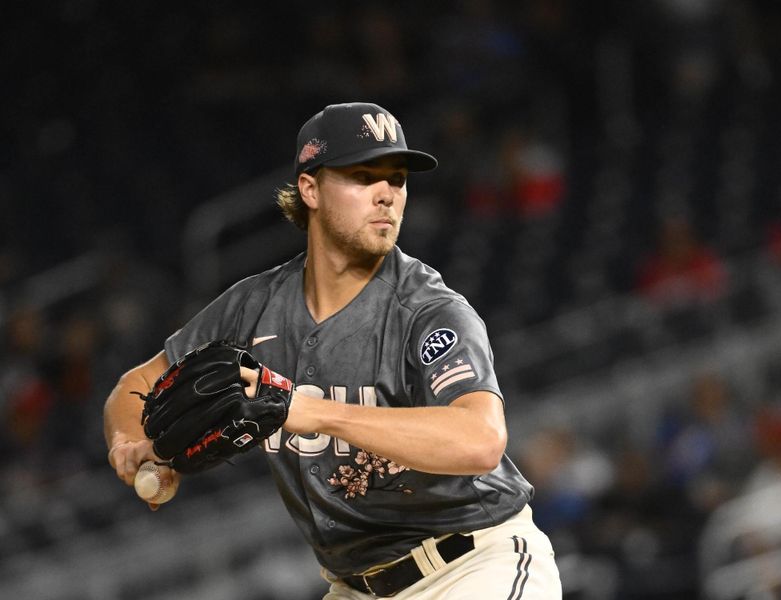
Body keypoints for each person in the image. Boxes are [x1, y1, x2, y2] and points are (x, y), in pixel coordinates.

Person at [104, 102, 561, 599]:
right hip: (353, 587)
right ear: (310, 189)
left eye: (398, 178)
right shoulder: (253, 308)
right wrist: (131, 447)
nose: (387, 194)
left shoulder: (426, 310)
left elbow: (481, 440)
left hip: (472, 567)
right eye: (364, 176)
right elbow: (135, 384)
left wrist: (315, 413)